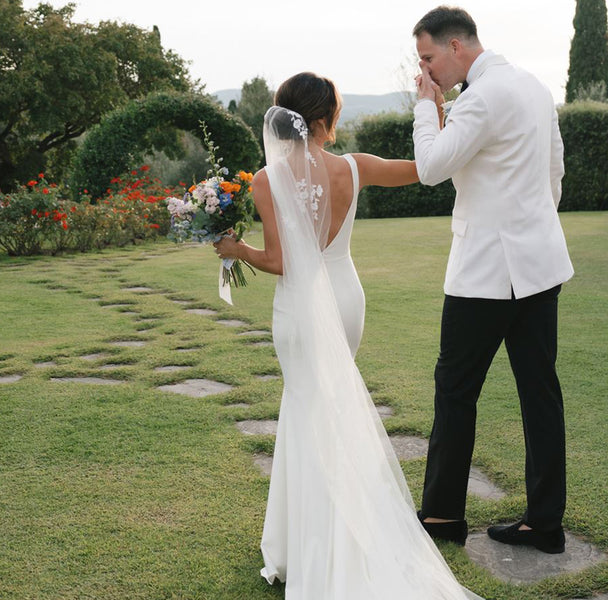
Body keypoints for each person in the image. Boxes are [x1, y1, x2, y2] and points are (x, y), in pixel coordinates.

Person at [213, 72, 483, 599]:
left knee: (307, 409)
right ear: (325, 119)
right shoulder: (355, 168)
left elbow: (280, 261)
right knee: (329, 410)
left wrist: (235, 251)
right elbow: (430, 168)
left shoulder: (269, 179)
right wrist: (437, 113)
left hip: (300, 306)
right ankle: (325, 534)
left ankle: (317, 546)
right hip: (345, 298)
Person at [411, 6, 575, 554]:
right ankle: (544, 524)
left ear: (456, 47)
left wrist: (424, 107)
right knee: (540, 394)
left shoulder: (478, 98)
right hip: (539, 264)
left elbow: (431, 168)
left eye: (428, 59)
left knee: (455, 392)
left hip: (484, 271)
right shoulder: (533, 86)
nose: (427, 71)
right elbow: (554, 172)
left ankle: (441, 519)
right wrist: (529, 226)